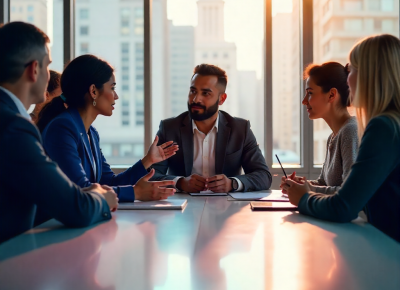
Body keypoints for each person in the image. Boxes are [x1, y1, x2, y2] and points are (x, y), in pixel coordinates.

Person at [0, 22, 118, 243]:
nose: (52, 76)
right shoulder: (13, 128)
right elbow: (75, 207)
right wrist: (101, 198)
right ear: (33, 70)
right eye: (47, 66)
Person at [282, 34, 400, 242]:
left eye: (351, 69)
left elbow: (344, 206)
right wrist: (307, 188)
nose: (348, 79)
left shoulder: (382, 128)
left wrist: (303, 197)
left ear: (370, 74)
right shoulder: (389, 124)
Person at [37, 54, 178, 203]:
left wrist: (148, 160)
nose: (116, 96)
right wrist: (135, 193)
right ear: (94, 91)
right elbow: (81, 189)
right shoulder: (62, 128)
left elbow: (109, 183)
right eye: (112, 88)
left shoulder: (91, 133)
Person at [150, 64, 272, 193]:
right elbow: (150, 175)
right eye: (193, 91)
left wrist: (232, 183)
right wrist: (180, 182)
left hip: (228, 207)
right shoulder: (169, 128)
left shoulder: (240, 129)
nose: (196, 99)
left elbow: (264, 176)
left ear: (222, 99)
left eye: (205, 93)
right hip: (182, 207)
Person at [280, 62, 358, 194]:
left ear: (331, 95)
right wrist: (300, 184)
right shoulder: (333, 136)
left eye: (310, 93)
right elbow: (324, 183)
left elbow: (349, 193)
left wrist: (307, 189)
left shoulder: (350, 131)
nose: (304, 101)